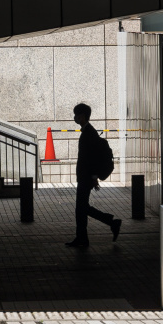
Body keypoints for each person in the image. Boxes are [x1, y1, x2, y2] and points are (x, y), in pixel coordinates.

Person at [65, 103, 122, 248]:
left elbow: (91, 159)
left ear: (82, 116)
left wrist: (93, 177)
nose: (75, 118)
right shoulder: (88, 132)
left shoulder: (88, 133)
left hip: (86, 178)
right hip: (86, 177)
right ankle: (85, 236)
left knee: (81, 208)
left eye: (76, 115)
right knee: (82, 208)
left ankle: (88, 235)